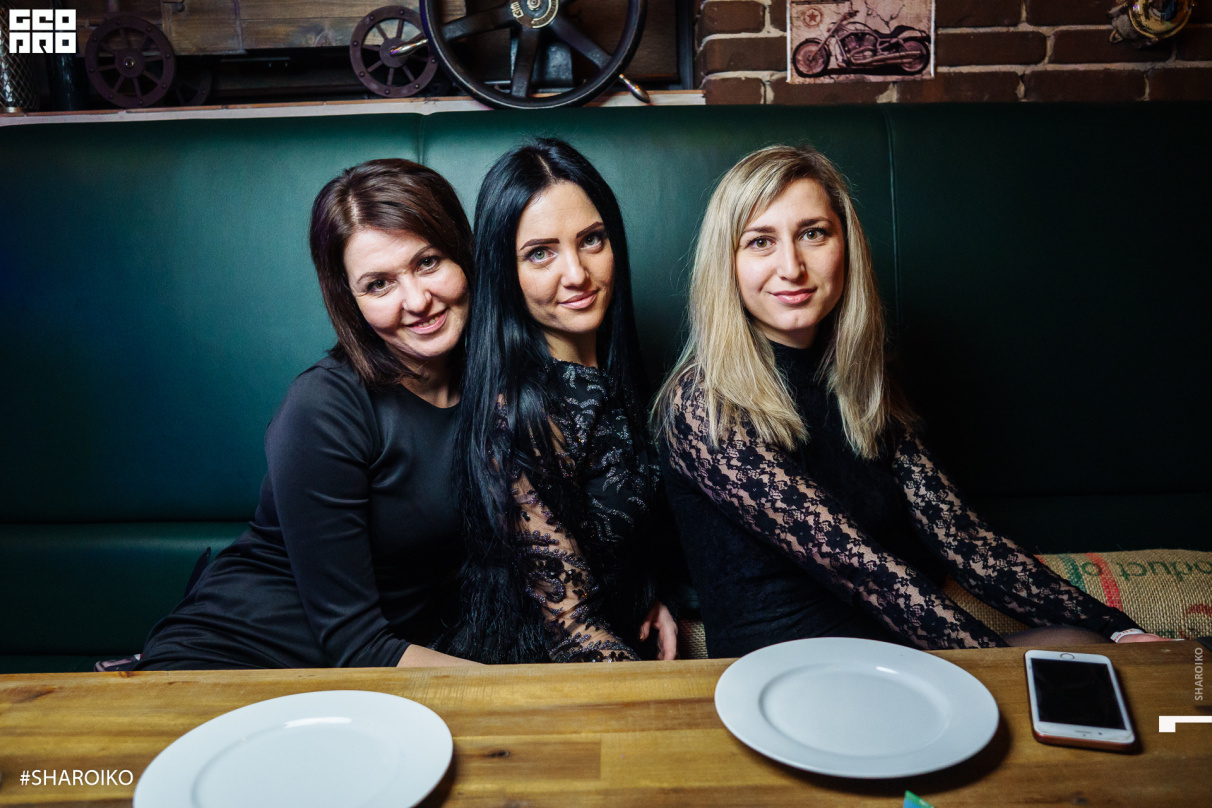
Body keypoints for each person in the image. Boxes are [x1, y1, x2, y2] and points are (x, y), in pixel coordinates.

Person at [653, 145, 1163, 657]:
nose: (792, 266)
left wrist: (1120, 629)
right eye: (760, 241)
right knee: (1068, 667)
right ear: (727, 263)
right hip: (790, 671)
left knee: (1091, 648)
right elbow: (862, 569)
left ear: (846, 245)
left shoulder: (858, 385)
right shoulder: (701, 401)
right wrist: (999, 668)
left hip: (888, 654)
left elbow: (966, 542)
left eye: (813, 233)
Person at [136, 159, 479, 669]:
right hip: (229, 663)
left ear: (463, 253)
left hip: (363, 681)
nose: (417, 301)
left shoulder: (493, 384)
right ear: (350, 300)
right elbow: (358, 647)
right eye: (378, 285)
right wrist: (521, 696)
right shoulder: (323, 407)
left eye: (428, 262)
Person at [438, 138, 676, 664]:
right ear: (506, 273)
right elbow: (574, 632)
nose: (576, 274)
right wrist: (659, 698)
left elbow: (614, 532)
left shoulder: (610, 375)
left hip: (618, 644)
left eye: (592, 240)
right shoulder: (522, 413)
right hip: (538, 678)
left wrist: (647, 594)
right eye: (540, 253)